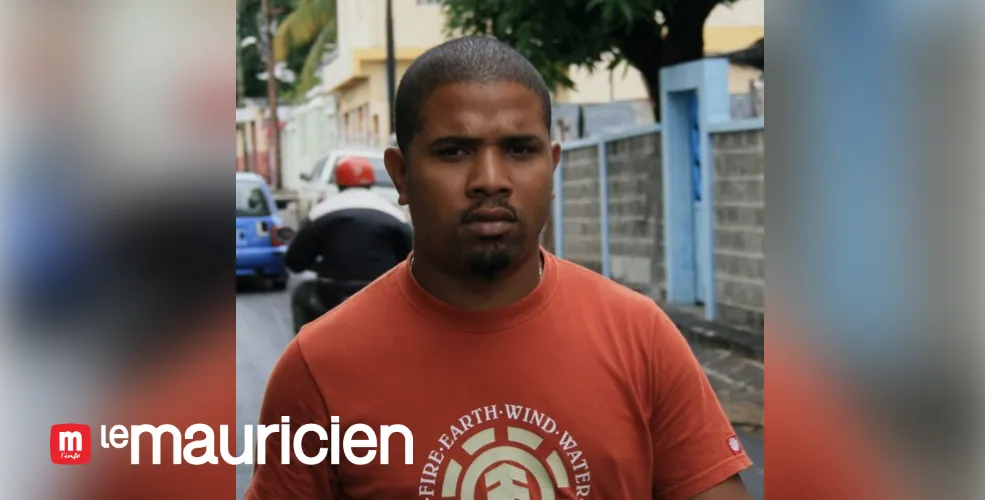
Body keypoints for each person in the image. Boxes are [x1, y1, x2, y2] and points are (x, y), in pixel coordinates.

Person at [247, 36, 752, 499]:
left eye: (519, 150)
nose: (490, 179)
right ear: (400, 174)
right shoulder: (318, 368)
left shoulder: (640, 338)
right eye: (454, 151)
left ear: (552, 167)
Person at [284, 156, 412, 333]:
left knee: (301, 293)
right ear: (371, 182)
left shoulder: (321, 213)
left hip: (332, 294)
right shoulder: (394, 215)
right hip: (383, 295)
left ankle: (303, 347)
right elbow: (412, 260)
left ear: (337, 183)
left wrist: (319, 264)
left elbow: (294, 262)